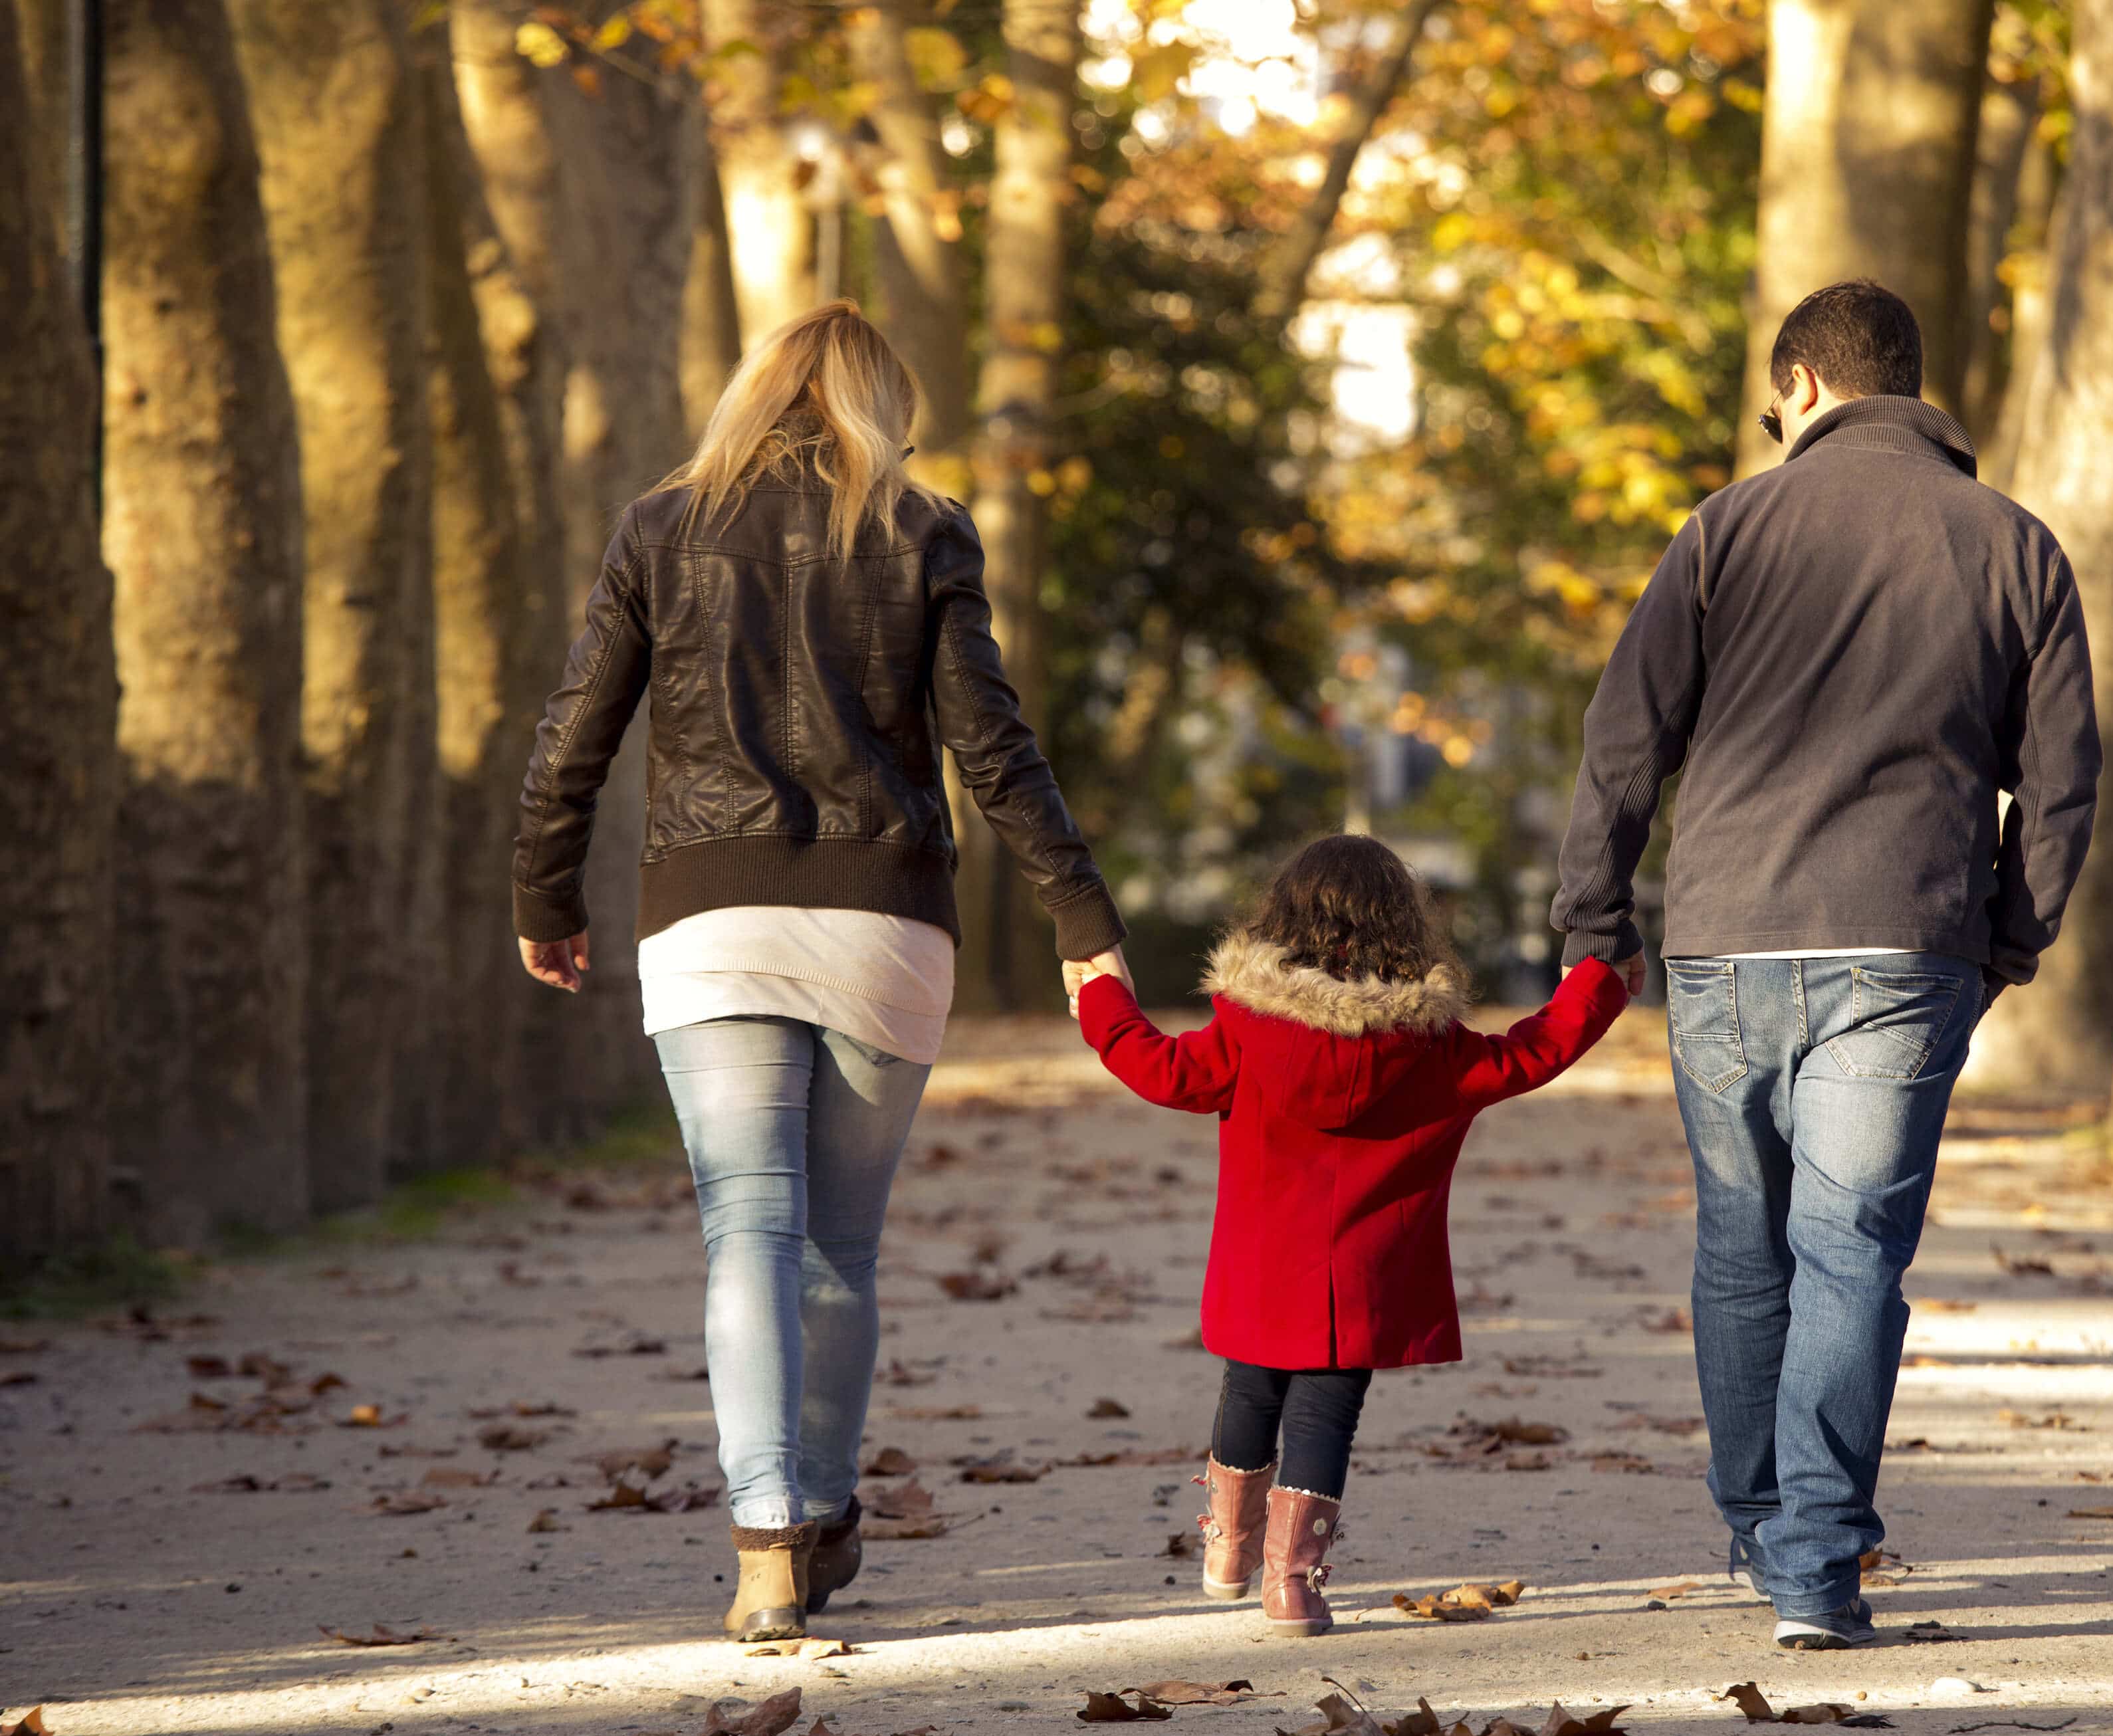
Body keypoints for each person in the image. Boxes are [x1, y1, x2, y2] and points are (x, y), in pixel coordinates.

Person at [510, 300, 1129, 1642]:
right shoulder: (920, 527)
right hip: (879, 920)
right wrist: (1080, 915)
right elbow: (991, 743)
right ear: (880, 403)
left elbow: (577, 729)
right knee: (838, 1245)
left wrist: (541, 892)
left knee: (747, 1226)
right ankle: (827, 1510)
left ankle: (763, 1538)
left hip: (708, 916)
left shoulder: (658, 526)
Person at [1551, 279, 2100, 1649]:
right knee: (1849, 1252)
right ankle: (1811, 1565)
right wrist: (2007, 935)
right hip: (1901, 936)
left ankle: (1754, 1525)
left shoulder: (1720, 533)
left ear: (1799, 385)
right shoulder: (2014, 546)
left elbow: (1624, 740)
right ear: (1909, 388)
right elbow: (2064, 780)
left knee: (1740, 1247)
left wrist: (1591, 923)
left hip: (1726, 936)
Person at [1069, 836, 1628, 1636]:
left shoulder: (1244, 1033)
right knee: (1325, 1419)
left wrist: (1100, 996)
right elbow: (1534, 1051)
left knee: (1249, 1391)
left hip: (1261, 1272)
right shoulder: (1433, 1049)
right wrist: (1597, 984)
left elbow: (1156, 1067)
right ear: (1405, 931)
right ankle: (1290, 1586)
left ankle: (1228, 1549)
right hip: (1363, 1283)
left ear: (1282, 921)